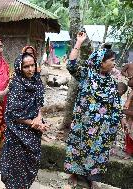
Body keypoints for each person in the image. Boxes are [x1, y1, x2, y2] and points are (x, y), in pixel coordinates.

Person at [64, 32, 121, 189]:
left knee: (97, 151)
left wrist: (116, 121)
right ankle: (74, 173)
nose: (114, 63)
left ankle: (91, 177)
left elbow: (115, 102)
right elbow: (71, 65)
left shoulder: (111, 80)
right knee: (78, 147)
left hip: (101, 127)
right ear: (101, 62)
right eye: (112, 61)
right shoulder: (86, 74)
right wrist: (79, 42)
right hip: (83, 124)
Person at [0, 53, 47, 189]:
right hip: (17, 131)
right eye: (26, 66)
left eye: (32, 65)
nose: (31, 69)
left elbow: (39, 102)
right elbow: (13, 113)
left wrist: (38, 118)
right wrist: (33, 123)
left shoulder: (37, 81)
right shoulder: (16, 84)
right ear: (20, 68)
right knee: (16, 164)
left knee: (31, 160)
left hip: (33, 130)